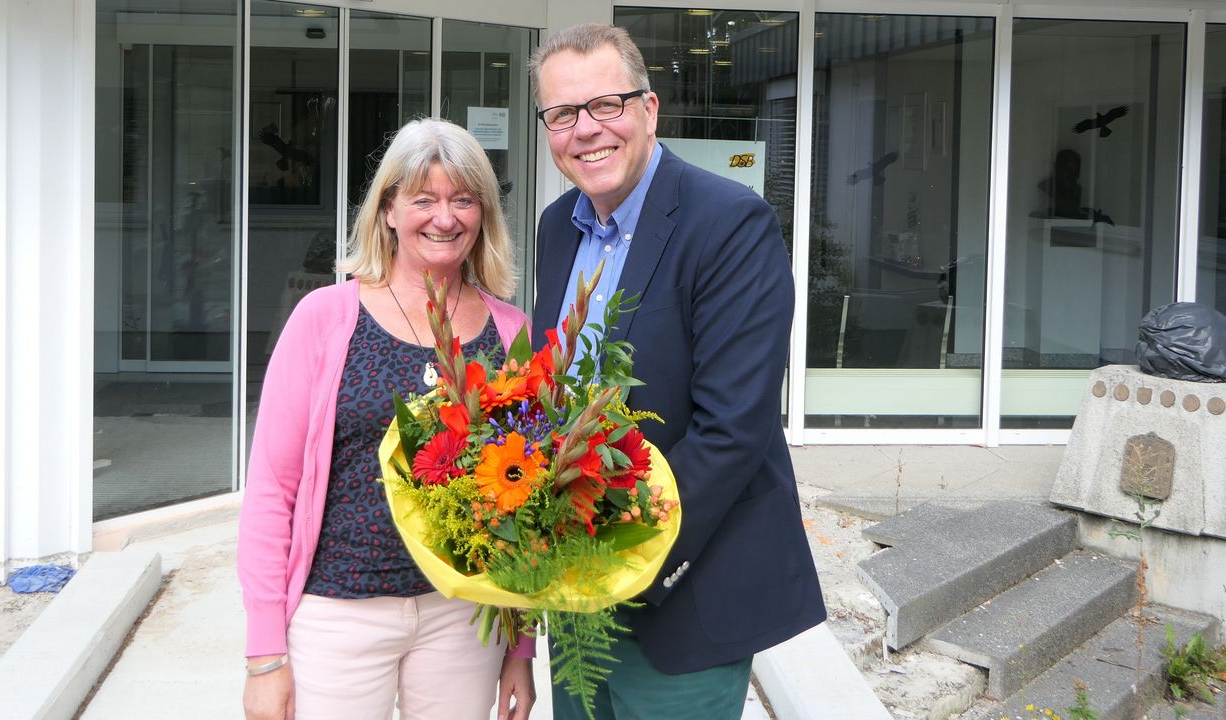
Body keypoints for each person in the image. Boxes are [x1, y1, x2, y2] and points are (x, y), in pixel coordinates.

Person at [528, 24, 826, 719]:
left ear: (649, 109)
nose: (586, 130)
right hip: (575, 600)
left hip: (684, 598)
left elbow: (733, 431)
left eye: (606, 104)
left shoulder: (729, 224)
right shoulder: (555, 228)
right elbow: (553, 398)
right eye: (563, 114)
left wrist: (617, 555)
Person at [238, 118, 535, 720]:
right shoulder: (325, 318)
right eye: (423, 199)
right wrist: (265, 657)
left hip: (462, 617)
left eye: (463, 200)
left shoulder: (511, 333)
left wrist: (520, 649)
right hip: (337, 613)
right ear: (389, 211)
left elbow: (529, 507)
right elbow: (272, 491)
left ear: (483, 216)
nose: (444, 218)